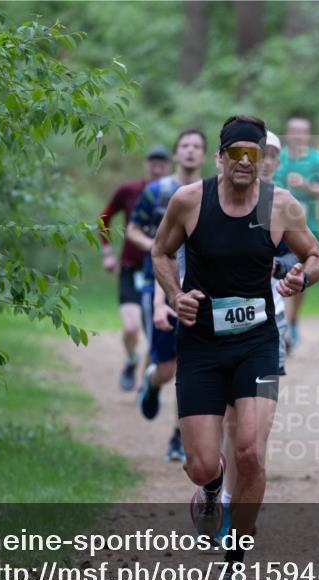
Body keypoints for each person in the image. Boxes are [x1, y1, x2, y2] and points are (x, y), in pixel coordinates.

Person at [151, 115, 319, 580]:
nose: (246, 162)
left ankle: (235, 558)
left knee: (250, 450)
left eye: (254, 154)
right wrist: (174, 295)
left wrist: (299, 279)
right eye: (237, 154)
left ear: (262, 159)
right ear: (220, 158)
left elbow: (316, 256)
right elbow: (161, 254)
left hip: (258, 345)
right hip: (202, 346)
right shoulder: (189, 202)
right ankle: (210, 489)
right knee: (203, 463)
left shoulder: (282, 206)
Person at [220, 130, 296, 526]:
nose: (260, 159)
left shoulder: (281, 205)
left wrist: (284, 269)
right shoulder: (218, 201)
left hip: (270, 329)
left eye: (268, 154)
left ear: (276, 161)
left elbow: (303, 257)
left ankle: (236, 515)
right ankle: (224, 493)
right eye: (252, 152)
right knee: (231, 424)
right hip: (221, 330)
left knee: (256, 436)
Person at [128, 130, 206, 461]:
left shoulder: (210, 193)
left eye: (196, 147)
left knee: (190, 367)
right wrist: (158, 249)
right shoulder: (156, 191)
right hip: (155, 282)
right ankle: (152, 380)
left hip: (196, 287)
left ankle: (178, 437)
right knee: (168, 369)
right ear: (176, 154)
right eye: (185, 146)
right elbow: (132, 228)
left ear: (204, 155)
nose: (190, 152)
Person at [98, 146, 171, 390]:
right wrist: (107, 252)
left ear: (168, 167)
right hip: (131, 268)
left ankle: (147, 381)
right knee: (131, 327)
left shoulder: (176, 193)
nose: (156, 167)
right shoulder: (129, 190)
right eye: (153, 162)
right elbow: (103, 219)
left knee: (154, 333)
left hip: (161, 272)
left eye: (161, 163)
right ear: (146, 165)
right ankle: (130, 359)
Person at [274, 115, 319, 350]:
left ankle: (292, 320)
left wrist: (306, 186)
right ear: (287, 134)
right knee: (275, 271)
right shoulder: (276, 159)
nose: (298, 135)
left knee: (301, 273)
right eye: (294, 131)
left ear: (308, 135)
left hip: (307, 227)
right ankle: (279, 322)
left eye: (302, 131)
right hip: (275, 227)